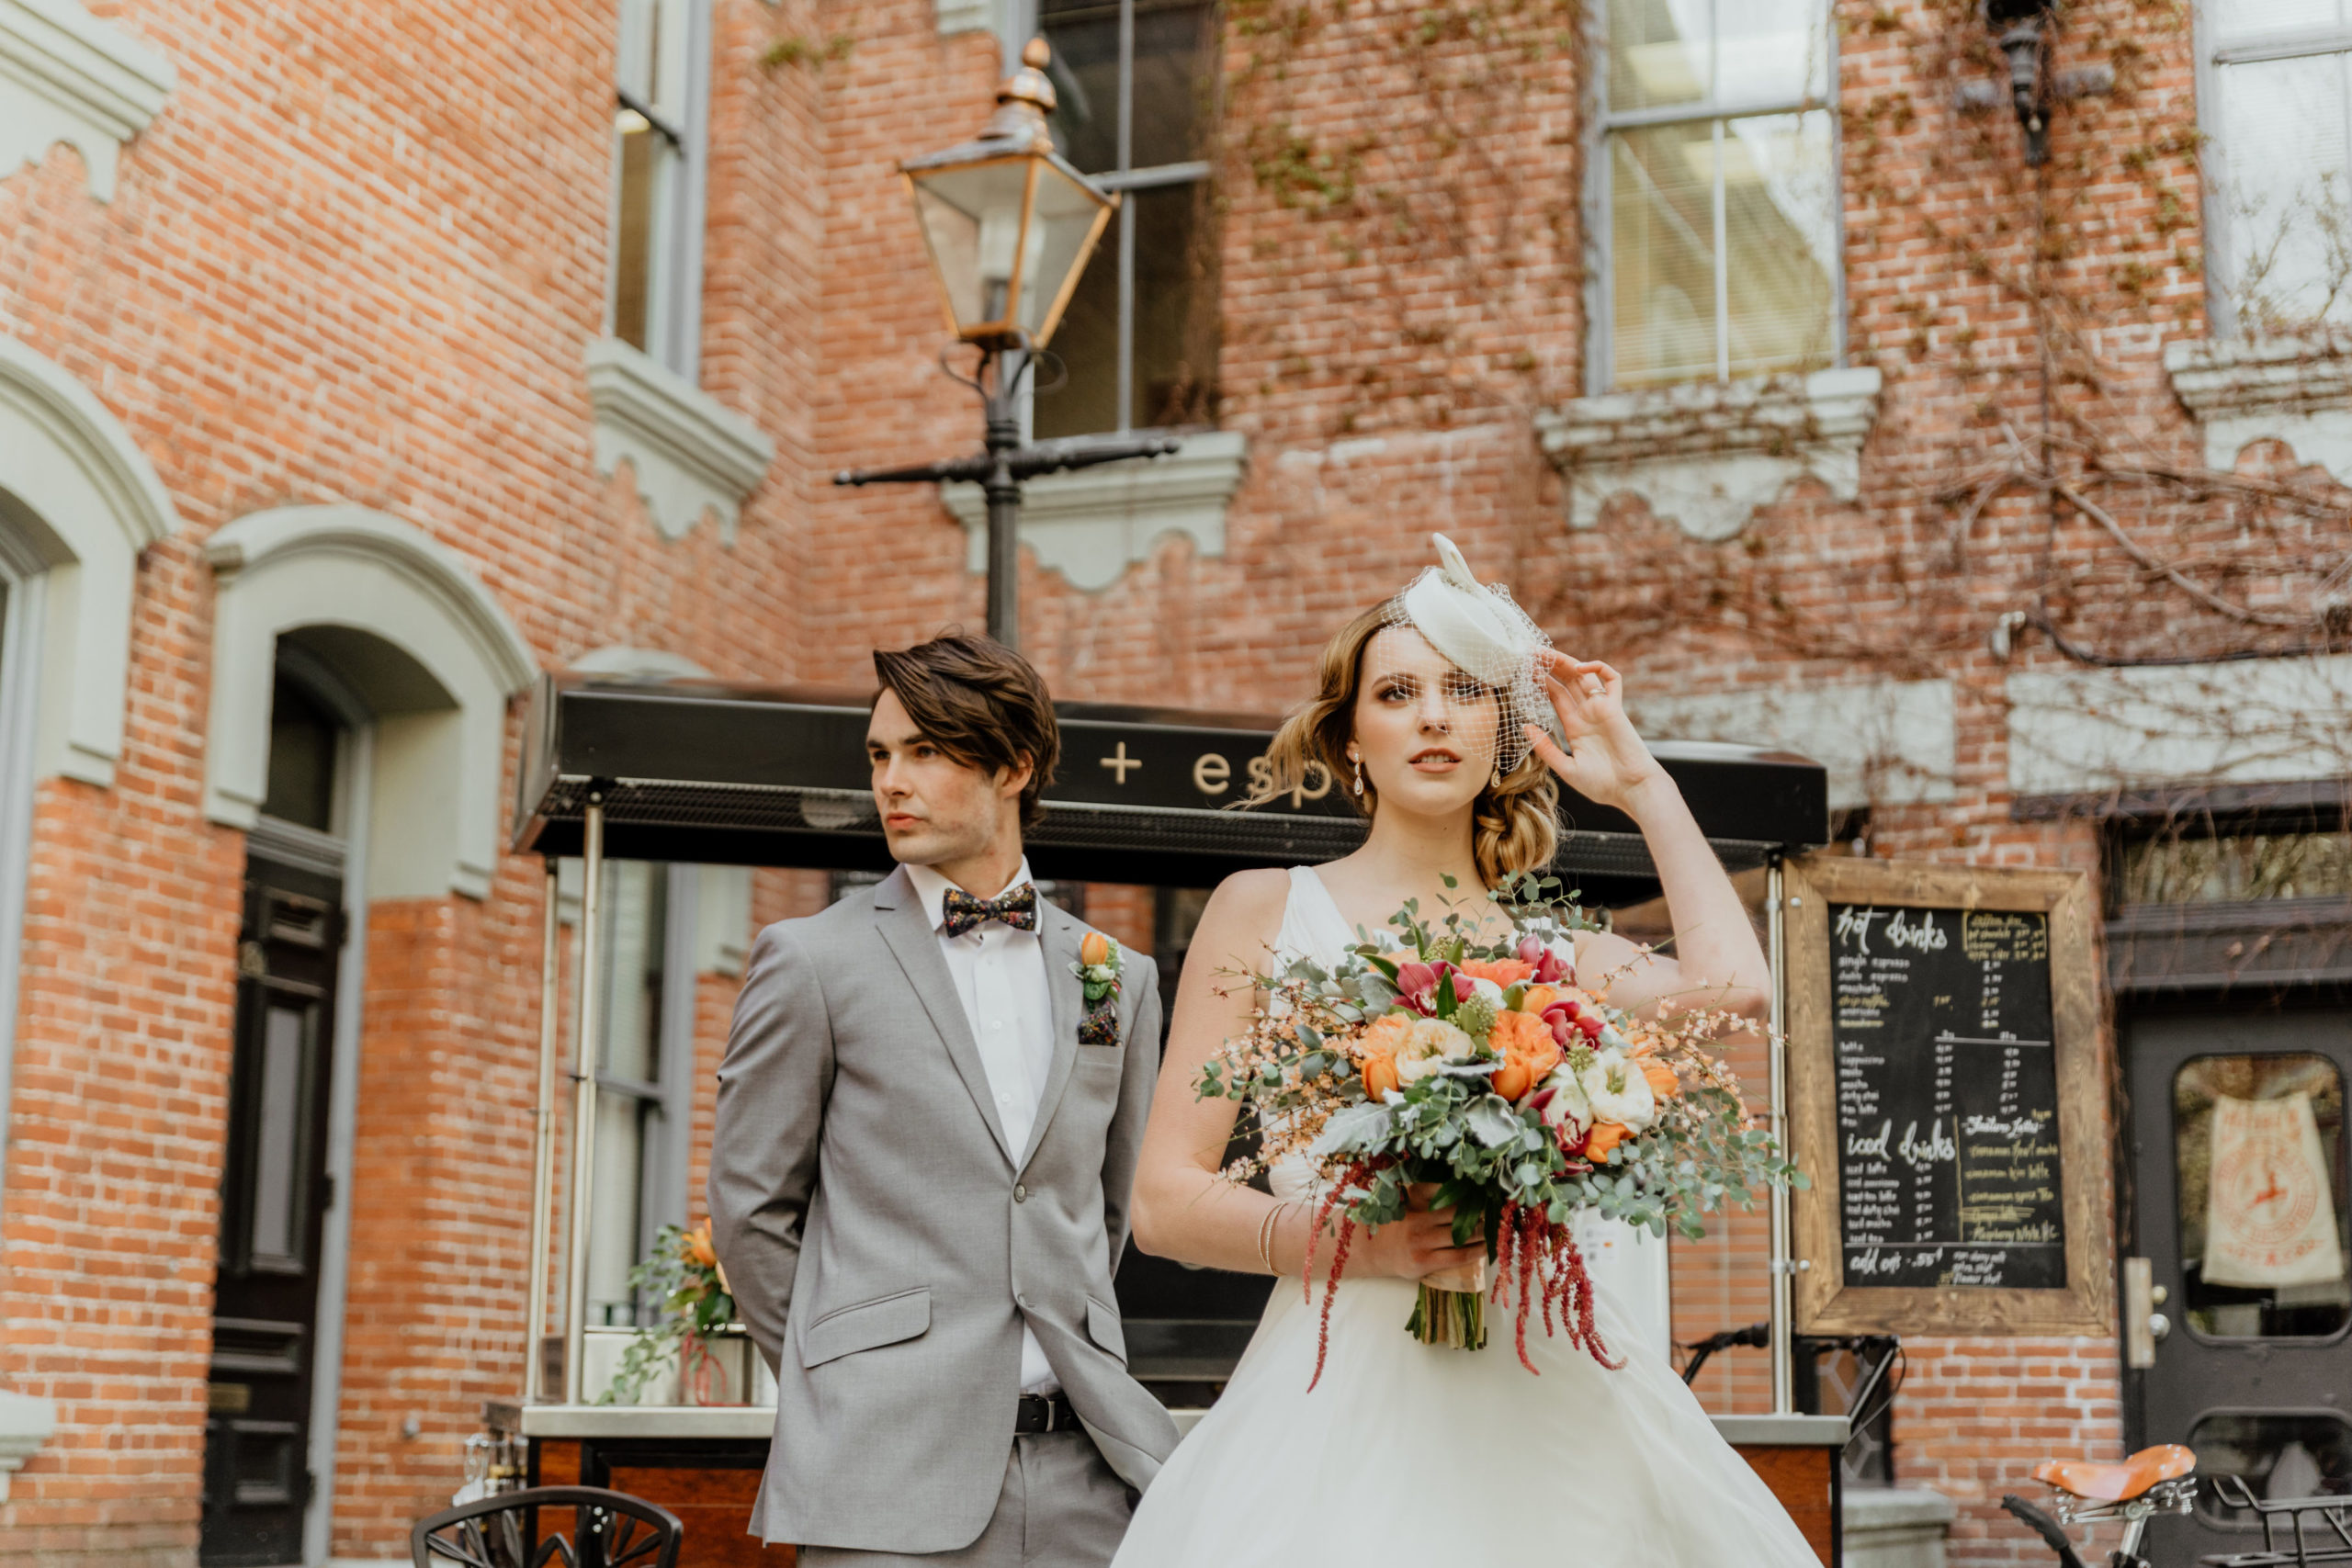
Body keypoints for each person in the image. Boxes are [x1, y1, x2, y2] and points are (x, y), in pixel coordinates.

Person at [1113, 538, 1822, 1566]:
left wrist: (1640, 781)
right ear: (1351, 738)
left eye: (1460, 691)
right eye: (1397, 692)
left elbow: (1736, 988)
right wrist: (1369, 1243)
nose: (1434, 713)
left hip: (1547, 1399)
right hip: (1336, 1405)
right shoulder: (1263, 910)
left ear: (1501, 732)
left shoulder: (1553, 951)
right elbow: (1162, 1203)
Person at [710, 633, 1179, 1567]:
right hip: (884, 1475)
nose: (892, 781)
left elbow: (1105, 1206)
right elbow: (750, 1214)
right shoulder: (811, 960)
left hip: (1091, 1472)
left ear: (1015, 767)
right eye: (881, 755)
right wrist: (842, 1386)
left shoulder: (1112, 976)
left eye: (925, 752)